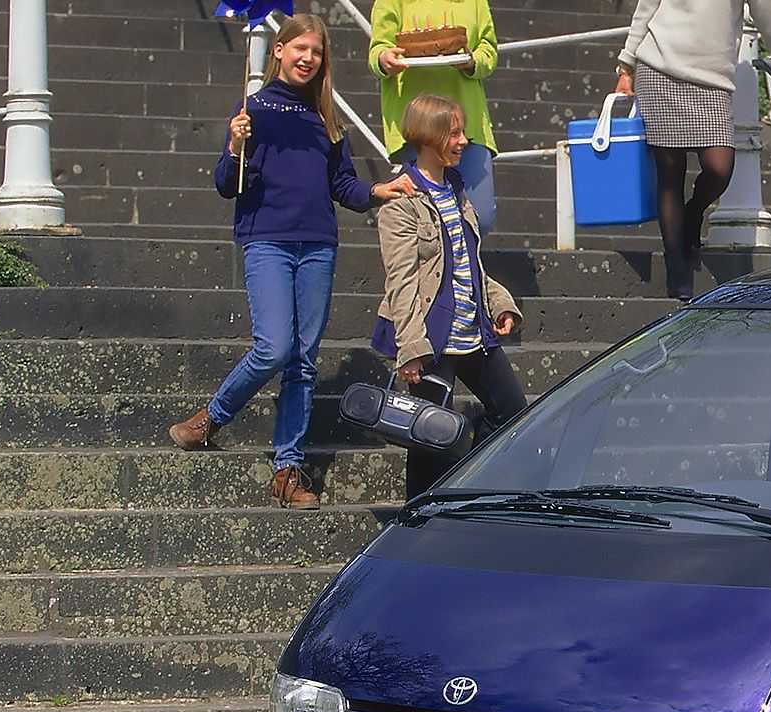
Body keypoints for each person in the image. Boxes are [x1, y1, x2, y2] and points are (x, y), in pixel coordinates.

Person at [170, 13, 414, 509]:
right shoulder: (253, 110)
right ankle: (212, 417)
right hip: (267, 241)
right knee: (274, 347)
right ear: (278, 50)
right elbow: (226, 184)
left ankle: (288, 468)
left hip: (318, 243)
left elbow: (342, 185)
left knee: (303, 360)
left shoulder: (327, 119)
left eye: (317, 52)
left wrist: (376, 191)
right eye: (299, 48)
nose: (308, 58)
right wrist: (235, 144)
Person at [371, 94, 528, 499]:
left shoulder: (458, 192)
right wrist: (411, 347)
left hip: (473, 332)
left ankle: (462, 479)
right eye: (453, 133)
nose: (462, 141)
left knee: (511, 412)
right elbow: (401, 280)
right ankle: (418, 521)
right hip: (432, 337)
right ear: (428, 136)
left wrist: (500, 303)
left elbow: (469, 263)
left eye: (462, 132)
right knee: (427, 435)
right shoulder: (402, 200)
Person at [613, 0, 771, 299]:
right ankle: (676, 264)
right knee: (669, 174)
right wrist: (627, 64)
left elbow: (768, 13)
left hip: (713, 82)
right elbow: (647, 7)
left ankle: (693, 213)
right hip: (658, 68)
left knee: (720, 168)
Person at [369, 0, 501, 235]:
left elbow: (488, 50)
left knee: (481, 217)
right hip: (418, 125)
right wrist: (384, 58)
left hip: (467, 126)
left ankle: (459, 267)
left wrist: (473, 61)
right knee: (425, 218)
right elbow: (377, 51)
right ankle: (437, 270)